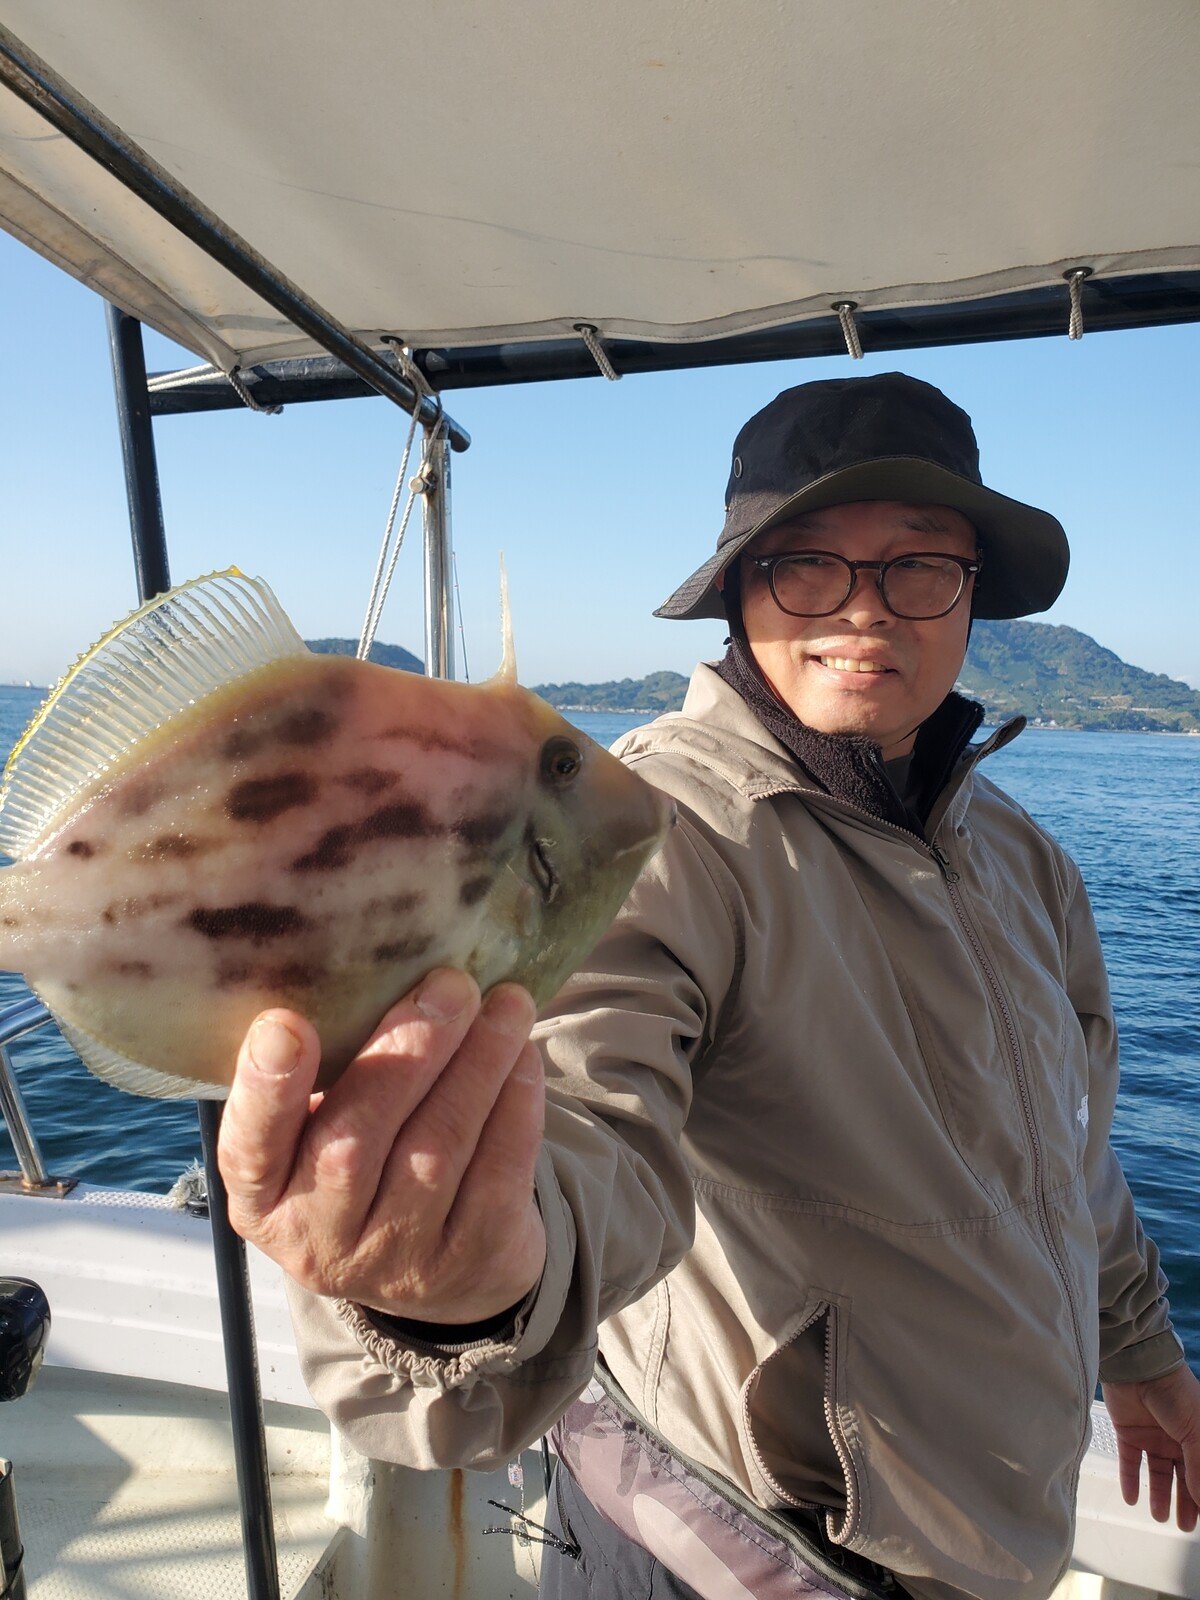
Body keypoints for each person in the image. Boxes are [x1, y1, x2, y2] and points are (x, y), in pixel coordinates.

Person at [217, 373, 1200, 1600]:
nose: (865, 607)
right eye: (807, 564)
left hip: (986, 1543)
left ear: (969, 597)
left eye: (918, 566)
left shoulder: (1021, 855)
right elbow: (585, 1109)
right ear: (741, 590)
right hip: (732, 1547)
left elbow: (1072, 1146)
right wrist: (468, 1287)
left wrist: (1138, 1344)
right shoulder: (653, 829)